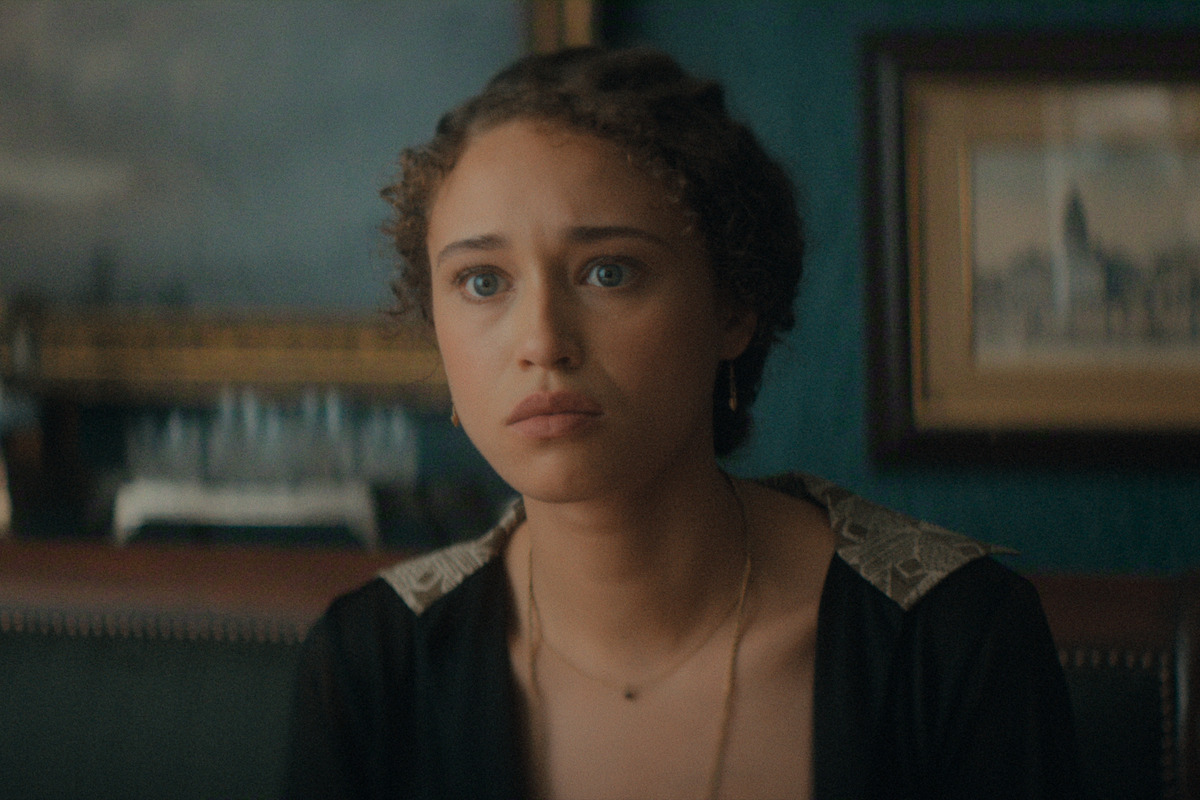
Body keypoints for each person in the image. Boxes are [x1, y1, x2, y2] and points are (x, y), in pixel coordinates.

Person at [284, 46, 1079, 799]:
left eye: (608, 271)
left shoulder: (954, 643)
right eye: (482, 281)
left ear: (731, 307)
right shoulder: (370, 666)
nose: (542, 344)